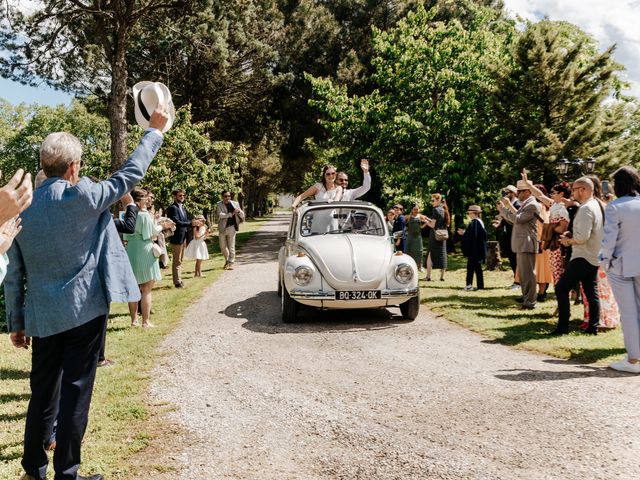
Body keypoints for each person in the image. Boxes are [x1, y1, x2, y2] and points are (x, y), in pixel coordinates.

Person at [5, 108, 169, 480]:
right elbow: (130, 174)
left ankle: (33, 468)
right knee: (76, 394)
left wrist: (16, 322)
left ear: (44, 164)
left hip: (42, 317)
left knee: (42, 394)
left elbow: (13, 274)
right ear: (74, 167)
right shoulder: (85, 196)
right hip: (84, 312)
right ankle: (67, 473)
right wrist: (154, 132)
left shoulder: (20, 211)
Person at [551, 177, 604, 335]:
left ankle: (562, 327)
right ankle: (592, 328)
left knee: (561, 288)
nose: (572, 192)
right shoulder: (596, 205)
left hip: (583, 256)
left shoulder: (586, 208)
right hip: (594, 256)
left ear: (583, 189)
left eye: (574, 189)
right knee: (590, 292)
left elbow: (582, 238)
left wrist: (568, 240)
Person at [600, 166, 640, 372]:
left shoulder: (615, 207)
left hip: (622, 265)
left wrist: (604, 261)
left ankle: (633, 359)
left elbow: (609, 240)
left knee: (629, 313)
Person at [580, 175, 620, 330]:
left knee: (600, 288)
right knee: (591, 288)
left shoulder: (601, 206)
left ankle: (605, 320)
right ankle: (591, 317)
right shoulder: (599, 205)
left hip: (600, 252)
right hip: (598, 251)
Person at [499, 179, 540, 309]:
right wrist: (506, 209)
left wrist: (503, 211)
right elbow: (517, 218)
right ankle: (526, 300)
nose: (518, 194)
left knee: (528, 275)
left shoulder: (532, 204)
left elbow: (518, 219)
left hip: (526, 243)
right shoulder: (526, 203)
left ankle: (530, 303)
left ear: (528, 192)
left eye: (520, 191)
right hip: (522, 243)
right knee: (523, 275)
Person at [125, 188, 163, 328]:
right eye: (144, 199)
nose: (147, 201)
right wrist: (160, 226)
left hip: (131, 250)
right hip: (144, 249)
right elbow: (152, 233)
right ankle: (145, 321)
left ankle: (133, 321)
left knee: (133, 288)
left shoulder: (128, 214)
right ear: (137, 201)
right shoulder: (144, 214)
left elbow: (126, 234)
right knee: (147, 288)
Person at [167, 188, 202, 288]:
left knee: (180, 260)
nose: (182, 197)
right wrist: (191, 223)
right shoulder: (173, 208)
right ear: (174, 196)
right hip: (177, 237)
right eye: (180, 195)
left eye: (183, 195)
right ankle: (177, 282)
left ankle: (179, 279)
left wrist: (194, 221)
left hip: (183, 237)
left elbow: (185, 220)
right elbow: (177, 222)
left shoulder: (182, 207)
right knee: (177, 260)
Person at [495, 184, 520, 289]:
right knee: (511, 258)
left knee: (516, 259)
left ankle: (519, 282)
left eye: (507, 193)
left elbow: (514, 220)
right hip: (508, 235)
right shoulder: (508, 205)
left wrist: (502, 211)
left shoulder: (517, 204)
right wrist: (499, 223)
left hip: (515, 235)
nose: (505, 195)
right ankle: (516, 280)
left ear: (513, 193)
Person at [458, 205, 487, 291]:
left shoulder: (475, 222)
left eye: (469, 213)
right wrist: (465, 232)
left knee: (470, 268)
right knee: (478, 268)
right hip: (478, 249)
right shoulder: (479, 222)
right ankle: (480, 285)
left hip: (474, 250)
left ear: (473, 213)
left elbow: (472, 236)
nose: (469, 214)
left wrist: (464, 234)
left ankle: (469, 285)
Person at [216, 191, 245, 270]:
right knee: (222, 247)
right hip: (222, 228)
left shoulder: (235, 203)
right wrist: (230, 214)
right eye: (225, 196)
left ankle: (231, 262)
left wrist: (238, 211)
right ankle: (227, 260)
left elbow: (242, 215)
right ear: (222, 197)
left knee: (231, 247)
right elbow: (220, 214)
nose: (227, 198)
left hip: (232, 227)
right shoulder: (219, 204)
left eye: (228, 196)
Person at [425, 193, 449, 282]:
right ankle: (442, 276)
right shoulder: (444, 209)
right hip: (442, 234)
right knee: (442, 255)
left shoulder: (435, 210)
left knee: (430, 255)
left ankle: (428, 276)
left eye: (433, 200)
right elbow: (443, 223)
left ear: (438, 200)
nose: (432, 202)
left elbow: (432, 225)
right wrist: (428, 219)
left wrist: (425, 221)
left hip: (435, 235)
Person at [404, 204, 429, 270]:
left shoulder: (420, 216)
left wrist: (426, 223)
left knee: (419, 251)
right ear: (412, 210)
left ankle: (420, 266)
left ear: (419, 210)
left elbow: (421, 227)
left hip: (418, 236)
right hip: (410, 236)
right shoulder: (408, 217)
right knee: (408, 250)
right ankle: (408, 265)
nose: (416, 211)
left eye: (417, 209)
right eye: (414, 209)